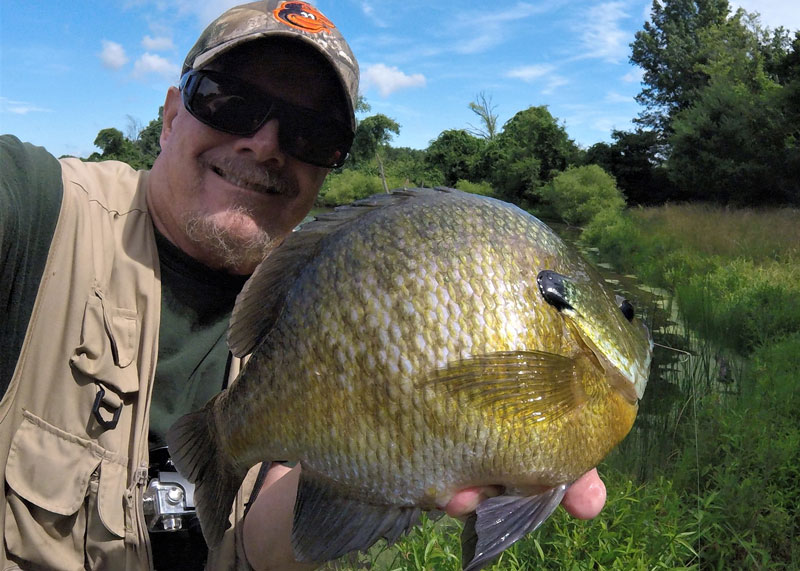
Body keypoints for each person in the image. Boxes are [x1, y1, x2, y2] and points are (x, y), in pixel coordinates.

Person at [0, 1, 606, 569]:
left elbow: (251, 551)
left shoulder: (319, 299)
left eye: (311, 132)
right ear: (170, 116)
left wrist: (395, 461)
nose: (265, 144)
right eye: (229, 102)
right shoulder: (36, 210)